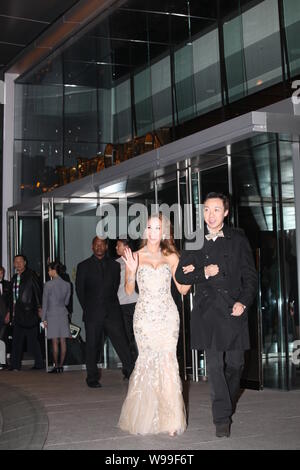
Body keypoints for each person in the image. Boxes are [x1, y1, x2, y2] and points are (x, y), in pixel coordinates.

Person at [175, 192, 257, 438]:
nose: (210, 215)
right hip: (208, 312)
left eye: (216, 210)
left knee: (236, 365)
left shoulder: (238, 239)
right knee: (214, 366)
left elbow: (251, 277)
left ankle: (227, 404)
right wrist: (204, 272)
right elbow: (182, 275)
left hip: (234, 310)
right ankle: (221, 419)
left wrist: (243, 302)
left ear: (226, 212)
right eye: (207, 210)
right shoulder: (195, 239)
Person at [118, 213, 191, 436]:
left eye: (157, 228)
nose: (152, 232)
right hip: (145, 317)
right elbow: (129, 290)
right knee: (147, 362)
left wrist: (191, 272)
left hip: (168, 316)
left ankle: (170, 420)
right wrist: (130, 271)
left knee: (168, 363)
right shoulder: (135, 255)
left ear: (165, 232)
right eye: (149, 227)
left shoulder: (171, 256)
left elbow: (182, 290)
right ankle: (146, 418)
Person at [75, 236, 133, 388]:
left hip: (112, 312)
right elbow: (80, 291)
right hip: (93, 314)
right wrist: (88, 308)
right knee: (92, 346)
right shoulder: (83, 266)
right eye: (96, 245)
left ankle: (131, 372)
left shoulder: (114, 266)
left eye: (102, 245)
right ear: (92, 247)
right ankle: (92, 378)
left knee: (122, 344)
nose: (99, 247)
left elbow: (114, 288)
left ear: (106, 247)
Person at [10, 254, 44, 371]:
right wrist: (11, 312)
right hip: (18, 313)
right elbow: (13, 297)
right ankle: (15, 365)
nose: (18, 264)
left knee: (33, 340)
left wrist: (40, 308)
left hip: (30, 313)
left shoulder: (31, 275)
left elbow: (37, 291)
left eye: (20, 261)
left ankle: (39, 364)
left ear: (25, 262)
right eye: (16, 262)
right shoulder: (14, 278)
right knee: (16, 340)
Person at [42, 261, 71, 373]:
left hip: (52, 314)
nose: (48, 272)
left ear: (54, 270)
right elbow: (67, 302)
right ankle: (61, 366)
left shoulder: (48, 285)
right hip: (63, 313)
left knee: (55, 342)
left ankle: (56, 365)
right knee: (63, 341)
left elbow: (45, 303)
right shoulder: (67, 284)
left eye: (49, 269)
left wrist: (43, 318)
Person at [116, 238, 138, 365]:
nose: (116, 248)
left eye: (118, 246)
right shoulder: (115, 263)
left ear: (125, 247)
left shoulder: (137, 259)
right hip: (121, 304)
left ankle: (139, 365)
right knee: (126, 337)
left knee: (138, 336)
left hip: (137, 303)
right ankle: (129, 367)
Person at [0, 266, 12, 368]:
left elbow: (11, 302)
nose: (0, 275)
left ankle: (3, 361)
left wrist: (9, 313)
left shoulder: (8, 284)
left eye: (1, 273)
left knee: (3, 338)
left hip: (4, 316)